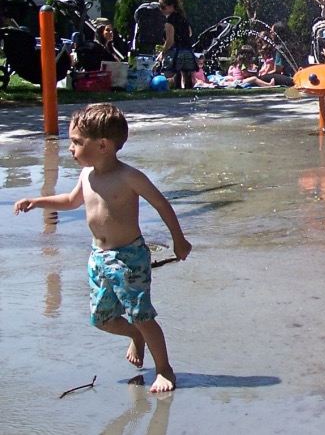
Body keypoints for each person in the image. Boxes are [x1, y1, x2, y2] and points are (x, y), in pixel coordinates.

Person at [13, 104, 192, 393]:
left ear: (103, 145)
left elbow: (161, 204)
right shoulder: (87, 175)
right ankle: (136, 335)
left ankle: (164, 370)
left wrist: (178, 239)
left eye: (76, 142)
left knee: (142, 314)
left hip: (129, 257)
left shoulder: (129, 177)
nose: (70, 148)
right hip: (98, 258)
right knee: (103, 319)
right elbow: (71, 201)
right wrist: (38, 201)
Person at [155, 0, 197, 89]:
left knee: (174, 74)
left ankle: (177, 91)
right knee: (187, 75)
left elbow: (170, 41)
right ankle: (189, 93)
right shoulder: (182, 17)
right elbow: (190, 33)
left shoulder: (170, 21)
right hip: (187, 50)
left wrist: (163, 53)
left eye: (162, 7)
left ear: (171, 6)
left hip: (176, 52)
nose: (160, 9)